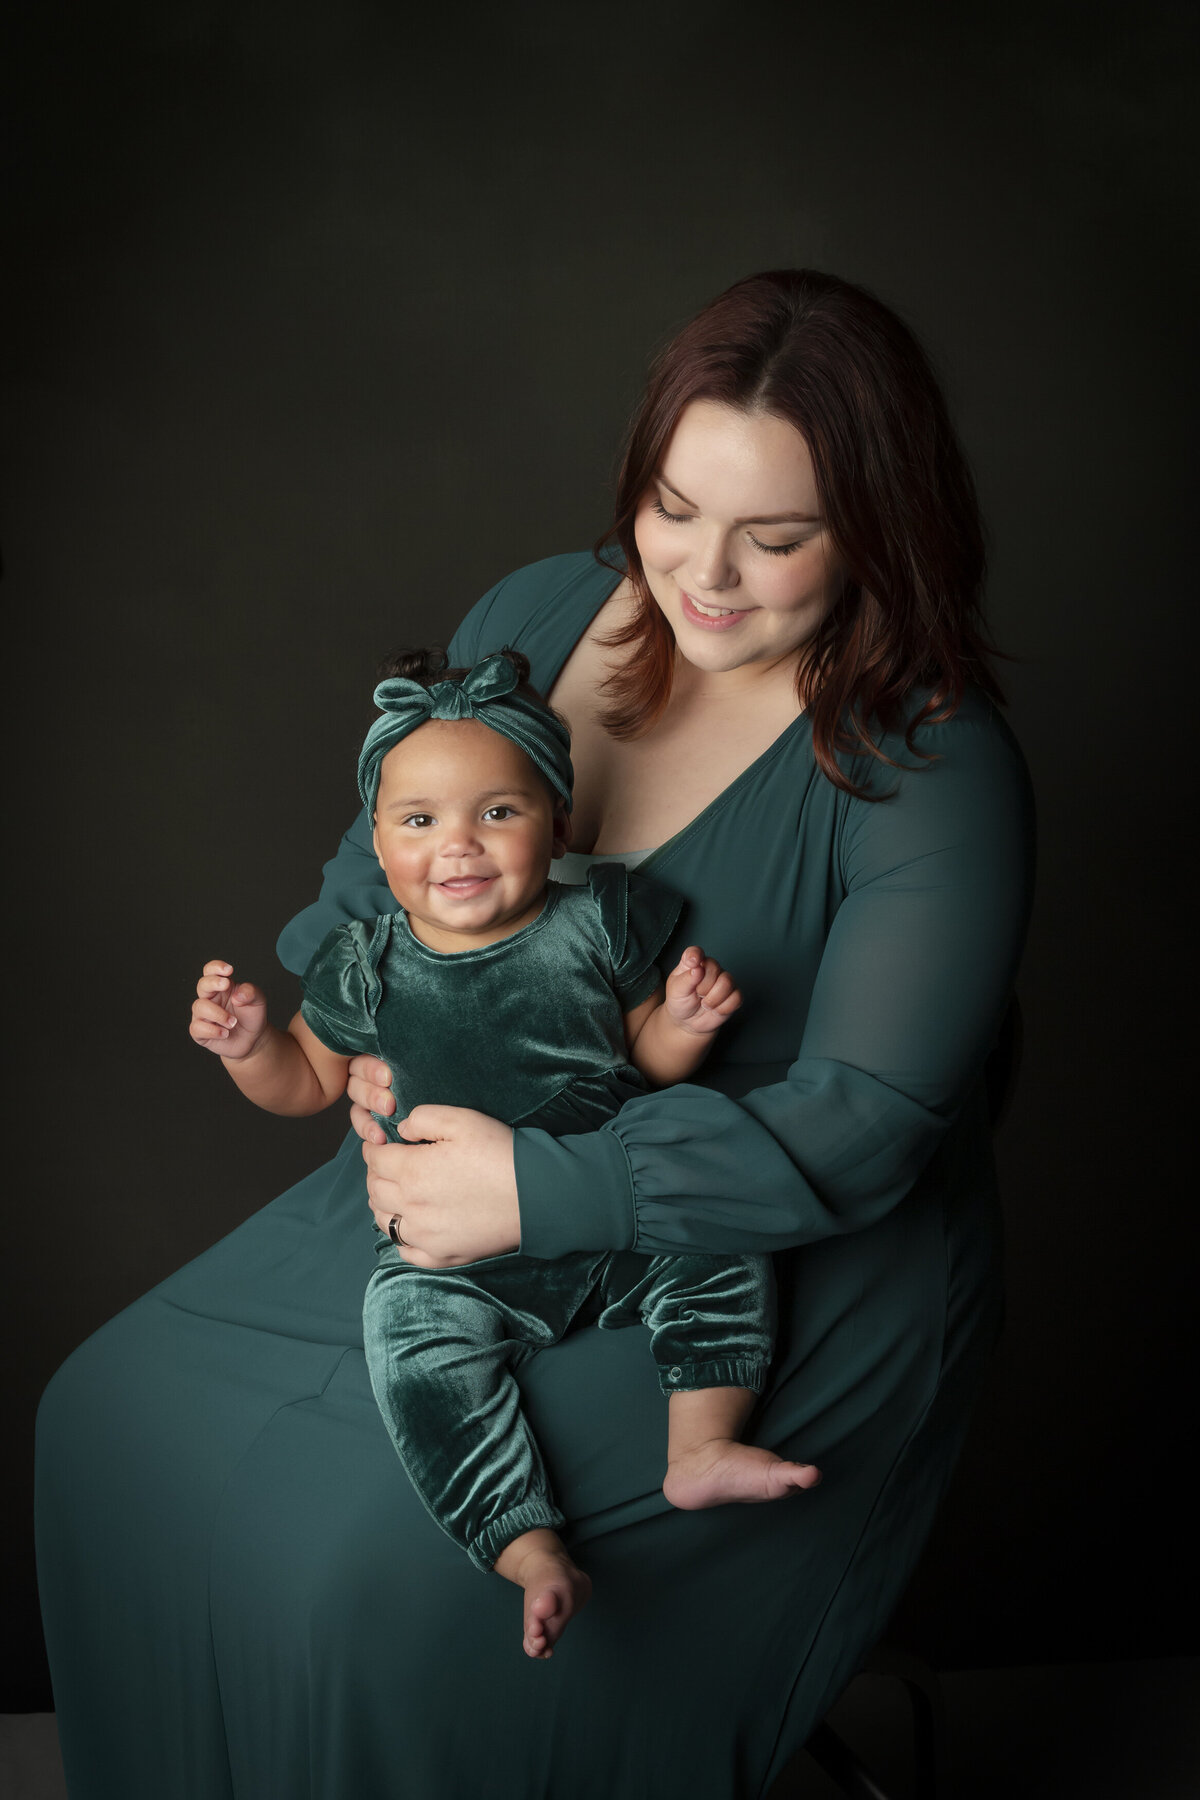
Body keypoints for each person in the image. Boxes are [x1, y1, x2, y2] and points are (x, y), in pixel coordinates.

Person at [36, 268, 1035, 1800]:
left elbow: (872, 1125)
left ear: (882, 529)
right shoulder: (538, 612)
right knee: (104, 1422)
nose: (705, 575)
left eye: (778, 539)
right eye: (674, 507)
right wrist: (319, 1031)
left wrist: (546, 1190)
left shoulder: (935, 765)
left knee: (352, 1584)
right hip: (469, 1169)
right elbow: (385, 874)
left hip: (761, 1243)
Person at [188, 645, 818, 1659]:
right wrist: (250, 1045)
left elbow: (647, 1059)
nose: (460, 847)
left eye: (500, 812)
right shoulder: (369, 961)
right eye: (420, 821)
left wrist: (689, 1024)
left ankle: (700, 1441)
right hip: (457, 1252)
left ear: (557, 822)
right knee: (408, 1340)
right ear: (381, 842)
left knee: (718, 1225)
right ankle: (524, 1547)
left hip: (612, 1214)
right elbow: (305, 1083)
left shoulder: (596, 923)